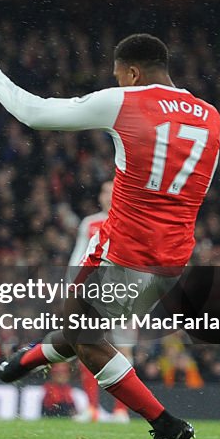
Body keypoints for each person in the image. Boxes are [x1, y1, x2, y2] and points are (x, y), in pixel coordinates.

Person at [0, 33, 220, 439]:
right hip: (172, 259)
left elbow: (34, 112)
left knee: (83, 335)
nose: (117, 83)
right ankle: (25, 361)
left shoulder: (128, 101)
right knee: (84, 328)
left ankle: (165, 424)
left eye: (119, 76)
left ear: (133, 73)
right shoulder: (211, 116)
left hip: (124, 251)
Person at [69, 180, 131, 423]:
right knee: (87, 346)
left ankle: (121, 410)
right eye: (105, 191)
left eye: (113, 191)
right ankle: (92, 409)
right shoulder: (90, 223)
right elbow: (79, 256)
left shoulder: (129, 221)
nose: (108, 196)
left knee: (123, 349)